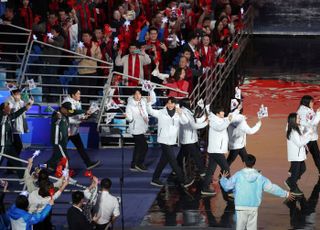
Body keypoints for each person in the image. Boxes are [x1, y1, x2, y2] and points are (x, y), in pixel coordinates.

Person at [220, 154, 293, 230]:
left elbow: (227, 187)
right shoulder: (259, 177)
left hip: (240, 206)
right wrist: (286, 194)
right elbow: (272, 187)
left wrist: (223, 179)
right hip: (253, 207)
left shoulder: (238, 175)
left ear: (244, 163)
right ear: (254, 164)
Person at [147, 96, 194, 188]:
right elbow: (151, 111)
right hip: (163, 140)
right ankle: (183, 180)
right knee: (173, 162)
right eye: (168, 103)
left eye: (172, 103)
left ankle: (155, 179)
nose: (170, 105)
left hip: (171, 140)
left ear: (175, 104)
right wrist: (148, 103)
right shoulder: (161, 112)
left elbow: (185, 122)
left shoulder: (178, 113)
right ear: (166, 104)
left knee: (163, 161)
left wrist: (181, 114)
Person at [62, 88, 100, 170]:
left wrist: (85, 116)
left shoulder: (78, 103)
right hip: (67, 130)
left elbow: (79, 116)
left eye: (80, 93)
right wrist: (84, 114)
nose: (80, 95)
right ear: (73, 95)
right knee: (60, 149)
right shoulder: (67, 102)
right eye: (78, 94)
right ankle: (50, 165)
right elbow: (71, 115)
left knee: (80, 147)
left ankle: (88, 163)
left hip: (74, 130)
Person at [201, 105, 235, 196]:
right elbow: (220, 127)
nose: (223, 113)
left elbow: (227, 119)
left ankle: (205, 188)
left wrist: (236, 110)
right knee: (226, 168)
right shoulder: (213, 121)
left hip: (215, 150)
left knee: (210, 170)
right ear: (217, 114)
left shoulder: (219, 119)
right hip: (216, 150)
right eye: (222, 112)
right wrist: (228, 120)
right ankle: (230, 190)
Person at [0, 99, 33, 178]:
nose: (9, 108)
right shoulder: (2, 117)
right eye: (7, 107)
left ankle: (23, 179)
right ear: (3, 109)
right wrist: (5, 112)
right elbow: (3, 117)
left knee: (17, 162)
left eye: (9, 106)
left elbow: (17, 114)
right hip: (1, 146)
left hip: (9, 146)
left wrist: (26, 107)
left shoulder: (9, 116)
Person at [177, 98, 208, 177]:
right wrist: (206, 123)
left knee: (182, 155)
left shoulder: (187, 111)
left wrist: (205, 116)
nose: (191, 103)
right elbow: (193, 125)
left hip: (189, 138)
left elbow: (195, 121)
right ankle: (202, 171)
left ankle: (176, 169)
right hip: (188, 139)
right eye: (190, 102)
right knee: (196, 155)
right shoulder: (184, 112)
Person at [284, 113, 312, 196]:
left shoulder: (296, 128)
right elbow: (299, 143)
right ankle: (293, 188)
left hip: (299, 155)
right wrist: (309, 138)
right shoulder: (293, 132)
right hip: (296, 156)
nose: (300, 119)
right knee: (296, 172)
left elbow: (301, 137)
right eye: (298, 118)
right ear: (293, 120)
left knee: (302, 169)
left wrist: (307, 134)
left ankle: (291, 181)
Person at [227, 101, 261, 166]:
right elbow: (250, 131)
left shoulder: (229, 117)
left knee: (246, 159)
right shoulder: (241, 120)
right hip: (237, 146)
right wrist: (258, 124)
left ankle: (249, 171)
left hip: (235, 144)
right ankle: (222, 175)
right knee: (229, 162)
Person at [46, 102, 77, 171]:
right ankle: (66, 173)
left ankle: (42, 167)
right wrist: (59, 118)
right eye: (67, 110)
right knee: (65, 157)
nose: (69, 112)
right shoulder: (56, 115)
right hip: (58, 141)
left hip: (63, 141)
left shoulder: (65, 115)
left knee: (55, 158)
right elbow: (56, 122)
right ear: (63, 108)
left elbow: (67, 124)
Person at [125, 89, 149, 172]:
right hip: (135, 129)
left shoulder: (143, 101)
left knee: (138, 147)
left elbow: (152, 100)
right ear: (133, 95)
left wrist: (151, 90)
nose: (138, 95)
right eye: (136, 94)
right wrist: (127, 116)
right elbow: (130, 119)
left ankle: (133, 164)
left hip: (142, 128)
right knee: (145, 147)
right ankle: (139, 163)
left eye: (139, 94)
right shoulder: (130, 105)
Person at [297, 95, 320, 176]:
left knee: (316, 155)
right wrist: (318, 113)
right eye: (311, 102)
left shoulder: (307, 109)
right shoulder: (304, 111)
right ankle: (293, 174)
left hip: (311, 137)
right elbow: (312, 123)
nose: (313, 103)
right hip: (307, 138)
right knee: (302, 156)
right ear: (307, 102)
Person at [7, 89, 28, 160]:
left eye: (19, 93)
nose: (19, 94)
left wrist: (29, 102)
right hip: (11, 126)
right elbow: (13, 112)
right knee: (18, 146)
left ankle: (12, 162)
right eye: (17, 93)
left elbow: (24, 107)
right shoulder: (9, 100)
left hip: (17, 126)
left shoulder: (20, 100)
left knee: (16, 146)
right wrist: (16, 101)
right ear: (13, 94)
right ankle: (13, 161)